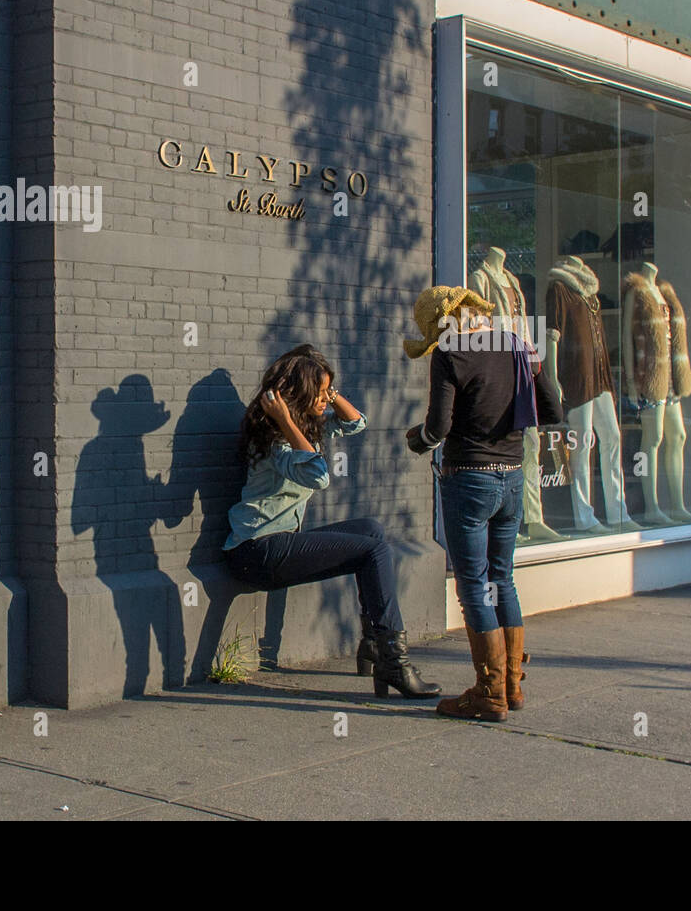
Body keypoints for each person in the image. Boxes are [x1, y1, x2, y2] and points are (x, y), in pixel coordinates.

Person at [223, 343, 439, 699]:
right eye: (319, 393)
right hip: (256, 552)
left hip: (276, 545)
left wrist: (329, 393)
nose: (325, 400)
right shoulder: (277, 439)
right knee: (372, 551)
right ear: (299, 394)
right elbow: (319, 475)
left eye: (328, 393)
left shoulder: (303, 428)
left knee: (371, 530)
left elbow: (356, 424)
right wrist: (287, 420)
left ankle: (373, 644)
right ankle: (394, 663)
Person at [404, 287, 564, 720]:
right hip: (513, 480)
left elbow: (439, 427)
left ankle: (488, 693)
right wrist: (537, 367)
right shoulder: (514, 345)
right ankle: (510, 686)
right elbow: (551, 411)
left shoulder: (451, 354)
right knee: (502, 579)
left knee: (473, 584)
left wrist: (416, 441)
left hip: (470, 481)